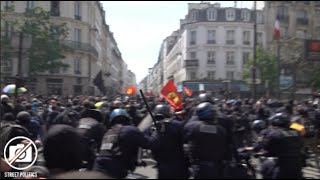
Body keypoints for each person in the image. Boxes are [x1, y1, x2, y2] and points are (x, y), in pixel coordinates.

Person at [93, 108, 152, 179]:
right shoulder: (131, 129)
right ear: (127, 118)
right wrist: (153, 133)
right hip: (115, 168)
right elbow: (148, 144)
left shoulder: (108, 132)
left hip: (98, 166)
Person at [183, 102, 228, 179]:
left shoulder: (191, 126)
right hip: (216, 167)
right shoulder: (221, 129)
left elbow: (184, 140)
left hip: (199, 167)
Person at [144, 104, 189, 179]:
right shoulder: (178, 125)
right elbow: (187, 140)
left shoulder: (151, 128)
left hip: (163, 165)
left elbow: (145, 141)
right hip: (179, 165)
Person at [255, 113, 305, 179]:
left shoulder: (275, 134)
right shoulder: (296, 132)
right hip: (297, 166)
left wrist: (261, 143)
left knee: (265, 166)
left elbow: (266, 146)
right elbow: (301, 145)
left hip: (282, 167)